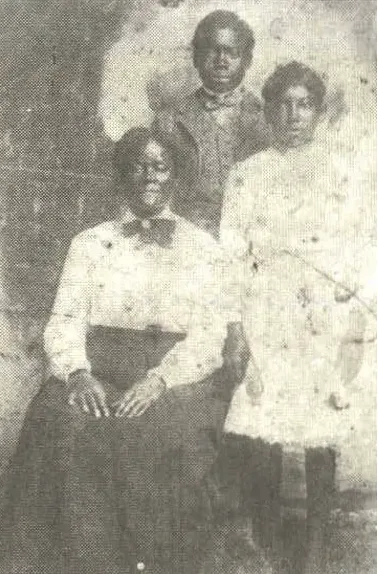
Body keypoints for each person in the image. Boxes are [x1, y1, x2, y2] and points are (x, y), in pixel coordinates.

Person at [0, 127, 246, 574]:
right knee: (60, 420)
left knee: (159, 431)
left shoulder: (203, 248)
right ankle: (74, 562)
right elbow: (67, 319)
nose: (149, 177)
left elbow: (210, 334)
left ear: (176, 177)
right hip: (99, 364)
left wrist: (159, 380)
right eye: (138, 166)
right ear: (123, 176)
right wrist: (77, 373)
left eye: (160, 167)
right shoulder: (90, 243)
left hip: (177, 374)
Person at [219, 61, 376, 574]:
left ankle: (313, 550)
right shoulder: (248, 174)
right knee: (262, 423)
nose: (292, 114)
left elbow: (360, 249)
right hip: (264, 308)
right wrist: (236, 326)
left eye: (303, 104)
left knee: (319, 428)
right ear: (267, 111)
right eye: (282, 104)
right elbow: (230, 254)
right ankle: (267, 545)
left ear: (318, 111)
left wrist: (353, 320)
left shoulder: (342, 173)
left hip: (321, 314)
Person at [154, 9, 270, 239]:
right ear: (196, 58)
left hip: (252, 236)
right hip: (188, 238)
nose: (222, 61)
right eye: (212, 50)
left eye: (232, 52)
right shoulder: (168, 121)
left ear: (247, 60)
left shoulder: (268, 120)